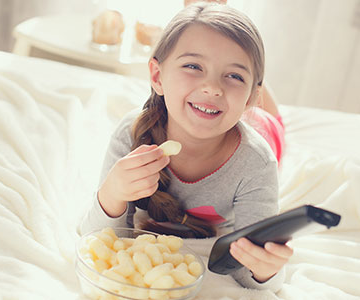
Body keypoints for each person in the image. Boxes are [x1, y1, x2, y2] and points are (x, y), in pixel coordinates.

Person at [80, 2, 290, 291]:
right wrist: (112, 194)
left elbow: (253, 275)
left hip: (263, 129)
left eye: (234, 76)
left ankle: (259, 98)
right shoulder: (131, 135)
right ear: (157, 77)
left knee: (275, 123)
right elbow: (98, 240)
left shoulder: (257, 163)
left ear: (252, 98)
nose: (212, 87)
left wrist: (265, 271)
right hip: (228, 112)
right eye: (193, 66)